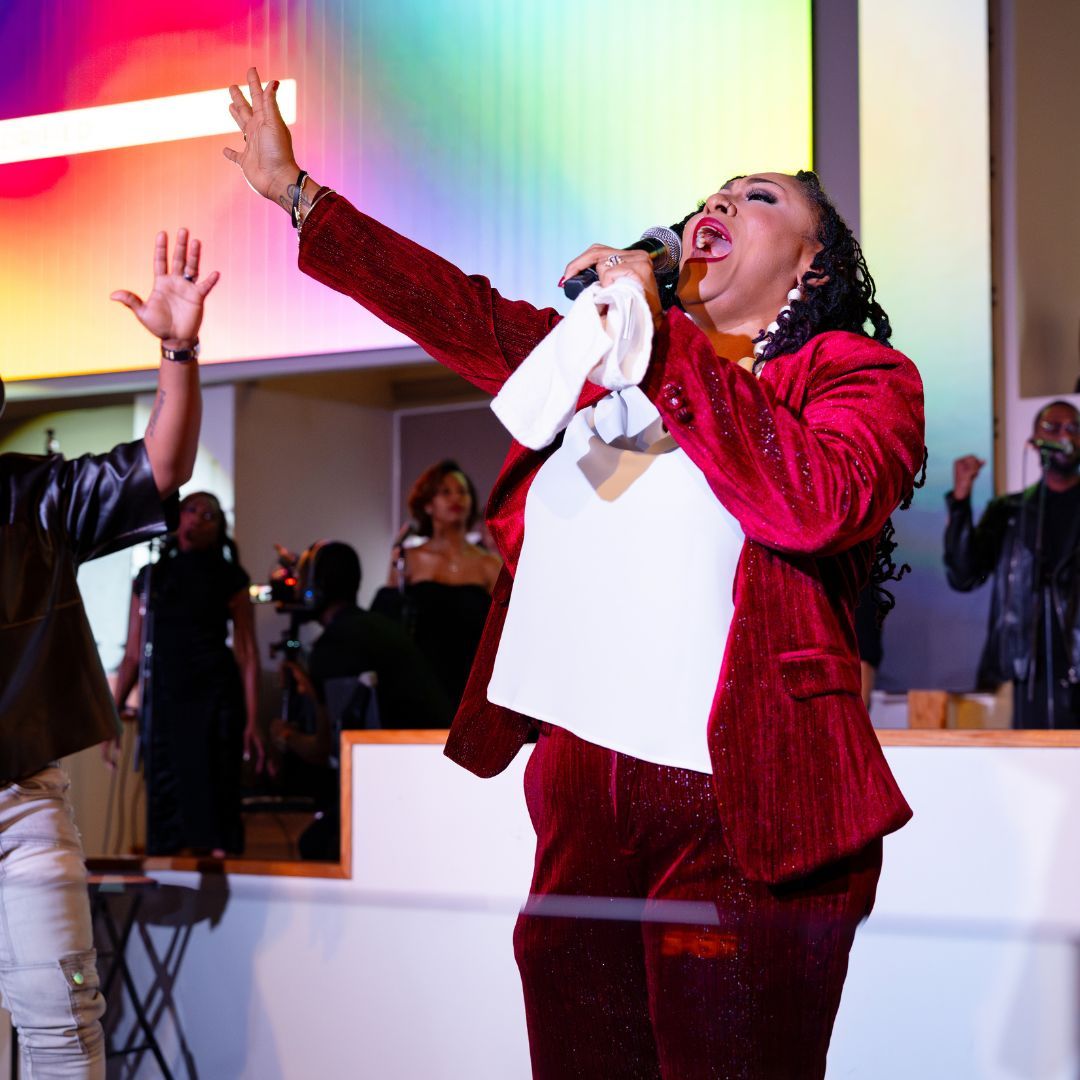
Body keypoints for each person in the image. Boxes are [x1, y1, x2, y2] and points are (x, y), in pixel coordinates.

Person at [225, 69, 925, 1079]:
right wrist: (300, 196)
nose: (721, 202)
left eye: (759, 197)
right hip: (582, 800)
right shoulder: (607, 371)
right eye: (714, 194)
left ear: (813, 266)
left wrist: (667, 345)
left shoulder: (852, 376)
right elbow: (460, 313)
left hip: (745, 812)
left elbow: (814, 501)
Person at [0, 229, 215, 1077]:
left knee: (62, 1021)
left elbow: (162, 466)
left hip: (21, 806)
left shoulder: (31, 495)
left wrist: (179, 352)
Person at [271, 541, 453, 857]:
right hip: (429, 772)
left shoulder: (336, 643)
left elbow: (333, 749)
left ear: (317, 585)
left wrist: (285, 736)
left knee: (315, 847)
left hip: (402, 787)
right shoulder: (379, 627)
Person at [113, 491, 262, 855]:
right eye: (190, 509)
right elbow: (133, 652)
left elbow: (247, 652)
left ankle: (219, 872)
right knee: (167, 793)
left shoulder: (230, 577)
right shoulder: (152, 576)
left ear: (219, 528)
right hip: (166, 695)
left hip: (214, 694)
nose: (196, 518)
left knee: (214, 790)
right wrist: (112, 712)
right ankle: (169, 879)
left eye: (208, 515)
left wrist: (253, 719)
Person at [945, 400, 1080, 728]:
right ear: (1035, 441)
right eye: (1052, 428)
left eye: (1073, 428)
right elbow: (964, 575)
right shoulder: (1008, 511)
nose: (1064, 435)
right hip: (1024, 670)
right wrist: (961, 501)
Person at [374, 459, 501, 709]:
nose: (456, 498)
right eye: (445, 492)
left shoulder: (489, 564)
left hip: (472, 684)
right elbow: (389, 626)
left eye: (462, 491)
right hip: (419, 682)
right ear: (428, 504)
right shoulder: (407, 559)